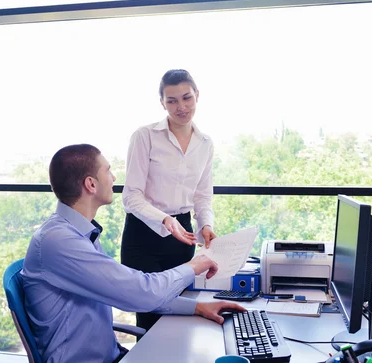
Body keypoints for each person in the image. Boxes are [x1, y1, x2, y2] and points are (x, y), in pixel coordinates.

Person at [21, 144, 244, 363]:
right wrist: (193, 266)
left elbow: (127, 290)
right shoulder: (60, 241)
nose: (114, 177)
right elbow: (142, 292)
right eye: (107, 170)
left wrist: (196, 307)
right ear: (91, 184)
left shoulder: (78, 232)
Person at [121, 69, 218, 333]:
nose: (181, 107)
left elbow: (202, 196)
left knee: (181, 319)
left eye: (186, 98)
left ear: (197, 95)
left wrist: (206, 225)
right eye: (172, 100)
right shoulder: (145, 136)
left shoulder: (205, 143)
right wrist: (164, 219)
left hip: (182, 236)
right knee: (151, 320)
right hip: (144, 236)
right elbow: (131, 197)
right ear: (162, 102)